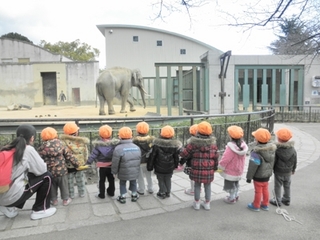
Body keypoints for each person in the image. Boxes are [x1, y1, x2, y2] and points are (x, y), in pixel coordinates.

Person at [0, 124, 57, 220]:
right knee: (47, 176)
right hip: (10, 197)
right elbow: (42, 170)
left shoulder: (8, 148)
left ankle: (7, 207)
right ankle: (40, 209)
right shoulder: (28, 149)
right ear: (32, 138)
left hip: (3, 193)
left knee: (26, 176)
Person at [180, 121, 219, 210]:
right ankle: (207, 203)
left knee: (197, 185)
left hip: (196, 169)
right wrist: (215, 167)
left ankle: (197, 203)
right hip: (209, 170)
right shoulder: (213, 144)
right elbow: (216, 157)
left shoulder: (193, 144)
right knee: (208, 186)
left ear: (198, 131)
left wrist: (181, 149)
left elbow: (185, 154)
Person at [37, 127, 80, 206]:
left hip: (49, 172)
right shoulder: (60, 144)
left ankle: (54, 200)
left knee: (52, 186)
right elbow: (69, 156)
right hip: (62, 171)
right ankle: (65, 200)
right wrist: (76, 164)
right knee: (64, 186)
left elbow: (39, 160)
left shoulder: (41, 148)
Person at [147, 125, 182, 199]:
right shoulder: (175, 145)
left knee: (160, 179)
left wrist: (150, 166)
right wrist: (176, 165)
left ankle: (162, 192)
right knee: (168, 179)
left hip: (159, 166)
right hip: (170, 167)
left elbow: (152, 156)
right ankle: (168, 192)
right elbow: (176, 157)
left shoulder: (156, 144)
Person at [246, 128, 276, 212]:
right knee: (265, 189)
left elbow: (253, 166)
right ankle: (265, 204)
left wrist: (249, 177)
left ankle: (256, 205)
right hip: (267, 175)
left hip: (258, 175)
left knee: (258, 191)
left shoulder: (256, 152)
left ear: (257, 139)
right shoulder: (272, 149)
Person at [86, 125, 119, 199]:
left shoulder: (98, 145)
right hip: (111, 165)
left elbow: (93, 155)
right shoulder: (114, 144)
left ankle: (101, 194)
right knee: (111, 180)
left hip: (101, 167)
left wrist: (88, 162)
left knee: (101, 181)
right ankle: (111, 192)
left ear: (100, 134)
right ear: (110, 134)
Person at [218, 125, 248, 204]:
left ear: (230, 136)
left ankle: (231, 198)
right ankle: (236, 195)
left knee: (230, 184)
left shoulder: (230, 148)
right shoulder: (243, 146)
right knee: (236, 183)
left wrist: (220, 168)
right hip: (239, 170)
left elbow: (225, 159)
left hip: (230, 171)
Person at [111, 127, 141, 204]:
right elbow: (138, 160)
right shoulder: (136, 147)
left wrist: (114, 172)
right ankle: (134, 195)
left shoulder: (118, 148)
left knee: (122, 183)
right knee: (133, 182)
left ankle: (122, 197)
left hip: (123, 171)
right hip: (134, 170)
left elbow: (115, 162)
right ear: (131, 136)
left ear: (119, 137)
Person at [60, 122, 89, 199]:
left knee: (69, 181)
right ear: (76, 132)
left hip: (68, 165)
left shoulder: (62, 142)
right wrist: (85, 160)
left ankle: (71, 194)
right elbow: (86, 152)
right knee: (80, 180)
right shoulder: (82, 141)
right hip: (79, 164)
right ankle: (82, 193)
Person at [269, 128, 297, 207]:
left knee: (278, 186)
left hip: (278, 171)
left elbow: (274, 160)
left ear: (278, 138)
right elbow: (295, 160)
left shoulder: (277, 149)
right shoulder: (292, 149)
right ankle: (286, 199)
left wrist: (271, 169)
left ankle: (277, 200)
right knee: (287, 185)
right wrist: (293, 169)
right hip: (288, 171)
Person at [132, 121, 155, 195]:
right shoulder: (151, 140)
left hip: (138, 161)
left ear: (137, 130)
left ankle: (141, 189)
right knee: (149, 176)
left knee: (140, 177)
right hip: (148, 161)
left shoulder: (134, 141)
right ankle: (150, 188)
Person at [179, 124, 198, 196]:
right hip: (201, 162)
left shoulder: (189, 142)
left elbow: (185, 154)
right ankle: (198, 188)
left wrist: (181, 163)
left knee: (192, 177)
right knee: (198, 176)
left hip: (191, 163)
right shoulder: (204, 142)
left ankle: (193, 190)